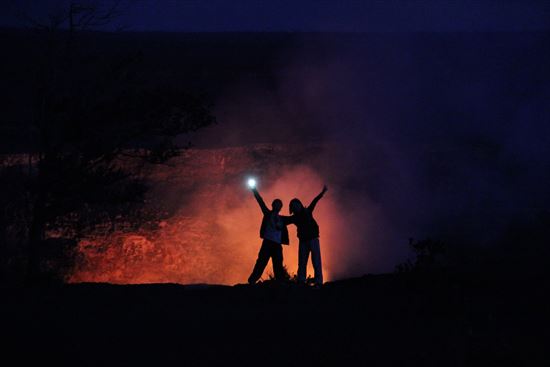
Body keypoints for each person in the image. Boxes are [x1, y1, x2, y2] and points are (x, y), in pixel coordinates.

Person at [247, 186, 290, 284]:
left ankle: (280, 282)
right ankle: (252, 280)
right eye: (276, 204)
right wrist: (254, 190)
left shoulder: (282, 219)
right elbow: (260, 202)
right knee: (261, 262)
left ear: (280, 207)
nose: (278, 206)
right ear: (273, 205)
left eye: (279, 205)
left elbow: (294, 219)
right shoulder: (267, 214)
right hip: (267, 242)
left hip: (277, 245)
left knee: (278, 264)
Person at [287, 185, 328, 286]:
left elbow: (314, 201)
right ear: (292, 208)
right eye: (293, 206)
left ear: (300, 205)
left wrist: (322, 194)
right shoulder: (294, 218)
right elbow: (284, 220)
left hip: (312, 239)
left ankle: (318, 282)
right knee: (302, 262)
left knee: (316, 261)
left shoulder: (307, 211)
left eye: (296, 205)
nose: (295, 207)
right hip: (304, 241)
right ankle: (301, 280)